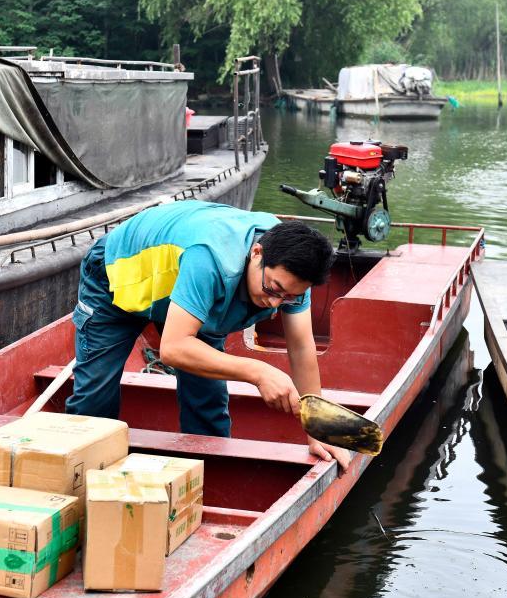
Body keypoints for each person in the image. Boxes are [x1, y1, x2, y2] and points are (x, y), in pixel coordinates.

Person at [65, 200, 351, 469]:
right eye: (272, 290)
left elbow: (301, 348)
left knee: (208, 402)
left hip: (191, 295)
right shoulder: (212, 259)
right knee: (95, 398)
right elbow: (173, 349)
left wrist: (318, 429)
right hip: (118, 277)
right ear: (257, 253)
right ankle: (77, 478)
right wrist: (258, 372)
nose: (276, 303)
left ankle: (205, 479)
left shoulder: (293, 275)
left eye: (288, 297)